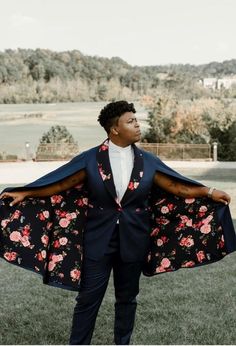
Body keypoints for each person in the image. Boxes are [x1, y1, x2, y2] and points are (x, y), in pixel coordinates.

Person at [0, 100, 235, 345]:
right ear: (115, 129)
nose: (137, 125)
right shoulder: (90, 159)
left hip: (134, 240)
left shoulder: (148, 161)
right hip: (98, 241)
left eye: (136, 120)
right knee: (88, 299)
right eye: (131, 121)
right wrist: (27, 193)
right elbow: (60, 184)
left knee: (127, 299)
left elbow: (177, 186)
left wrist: (209, 192)